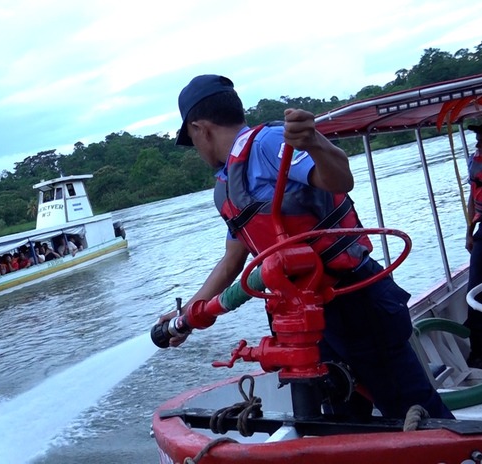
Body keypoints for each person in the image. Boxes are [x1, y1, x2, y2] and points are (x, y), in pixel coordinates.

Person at [158, 74, 453, 420]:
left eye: (191, 138)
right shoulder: (228, 184)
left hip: (355, 302)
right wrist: (187, 317)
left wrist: (314, 142)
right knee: (343, 418)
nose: (196, 148)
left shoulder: (268, 143)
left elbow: (340, 179)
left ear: (200, 129)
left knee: (412, 409)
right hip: (306, 315)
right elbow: (232, 260)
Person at [464, 123, 482, 368]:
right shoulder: (476, 161)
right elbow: (473, 196)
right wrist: (469, 232)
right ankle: (478, 353)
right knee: (475, 290)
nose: (477, 143)